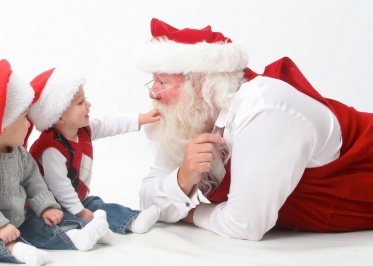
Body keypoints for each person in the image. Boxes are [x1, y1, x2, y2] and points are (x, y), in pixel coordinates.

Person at [135, 18, 373, 241]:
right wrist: (182, 178)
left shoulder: (262, 109)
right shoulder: (192, 117)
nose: (151, 92)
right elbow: (147, 198)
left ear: (200, 85)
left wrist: (187, 213)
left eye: (162, 82)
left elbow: (245, 224)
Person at [0, 60, 113, 266]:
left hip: (13, 217)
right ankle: (17, 251)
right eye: (23, 117)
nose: (29, 124)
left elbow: (34, 181)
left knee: (40, 223)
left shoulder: (19, 154)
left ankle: (77, 236)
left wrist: (46, 206)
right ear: (1, 126)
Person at [28, 67, 161, 236]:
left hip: (75, 199)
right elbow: (59, 186)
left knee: (95, 204)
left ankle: (133, 221)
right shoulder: (52, 148)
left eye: (86, 99)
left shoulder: (83, 130)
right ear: (59, 117)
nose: (88, 104)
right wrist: (79, 211)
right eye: (80, 102)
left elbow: (109, 124)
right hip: (50, 207)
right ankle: (87, 232)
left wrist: (141, 119)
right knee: (65, 220)